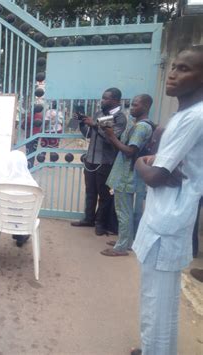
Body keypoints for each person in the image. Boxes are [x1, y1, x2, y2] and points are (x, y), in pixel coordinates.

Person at [130, 46, 203, 355]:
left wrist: (139, 164)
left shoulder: (194, 117)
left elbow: (155, 174)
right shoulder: (184, 115)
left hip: (167, 219)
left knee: (157, 301)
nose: (172, 73)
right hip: (164, 215)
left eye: (184, 69)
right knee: (158, 298)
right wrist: (151, 164)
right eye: (174, 65)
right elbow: (159, 164)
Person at [100, 94, 154, 257]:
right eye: (132, 104)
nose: (132, 107)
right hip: (128, 174)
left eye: (136, 105)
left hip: (127, 176)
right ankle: (126, 240)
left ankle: (121, 247)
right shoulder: (137, 124)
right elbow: (123, 145)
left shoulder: (141, 127)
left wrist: (110, 136)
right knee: (127, 211)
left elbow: (130, 151)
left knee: (123, 212)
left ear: (145, 107)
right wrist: (110, 133)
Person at [70, 88, 127, 236]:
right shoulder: (99, 114)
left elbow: (111, 139)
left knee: (104, 195)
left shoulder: (119, 117)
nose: (102, 101)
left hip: (106, 162)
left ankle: (100, 223)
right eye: (102, 98)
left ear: (115, 100)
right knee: (90, 192)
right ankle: (88, 219)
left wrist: (95, 125)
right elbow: (89, 135)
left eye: (105, 98)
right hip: (91, 160)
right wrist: (82, 122)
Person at [0, 150, 39, 247]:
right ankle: (21, 234)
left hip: (4, 221)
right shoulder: (32, 185)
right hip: (26, 222)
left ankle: (19, 234)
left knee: (14, 208)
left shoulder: (0, 184)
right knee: (22, 209)